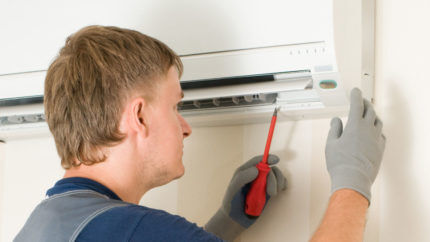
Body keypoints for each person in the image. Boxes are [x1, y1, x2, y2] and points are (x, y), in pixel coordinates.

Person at [14, 25, 385, 242]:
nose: (186, 127)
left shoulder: (43, 223)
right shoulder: (132, 229)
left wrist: (225, 225)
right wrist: (353, 182)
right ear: (139, 117)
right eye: (176, 106)